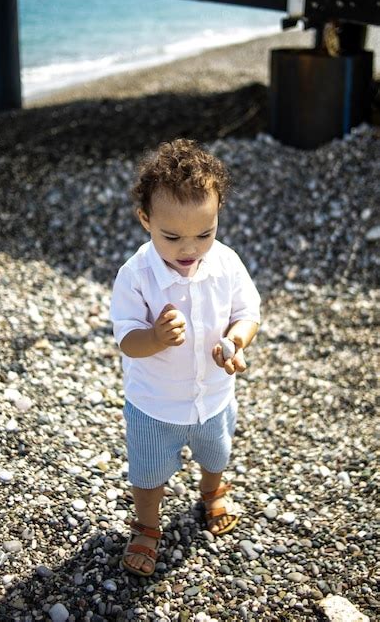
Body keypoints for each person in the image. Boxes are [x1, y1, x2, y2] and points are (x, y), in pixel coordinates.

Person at [110, 138, 260, 577]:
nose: (189, 248)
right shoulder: (135, 276)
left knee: (216, 454)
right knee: (149, 472)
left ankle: (212, 490)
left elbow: (248, 312)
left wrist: (236, 341)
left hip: (214, 396)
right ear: (145, 220)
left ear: (218, 218)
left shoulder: (227, 263)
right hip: (154, 403)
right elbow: (126, 340)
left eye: (205, 233)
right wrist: (155, 337)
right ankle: (147, 525)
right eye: (172, 236)